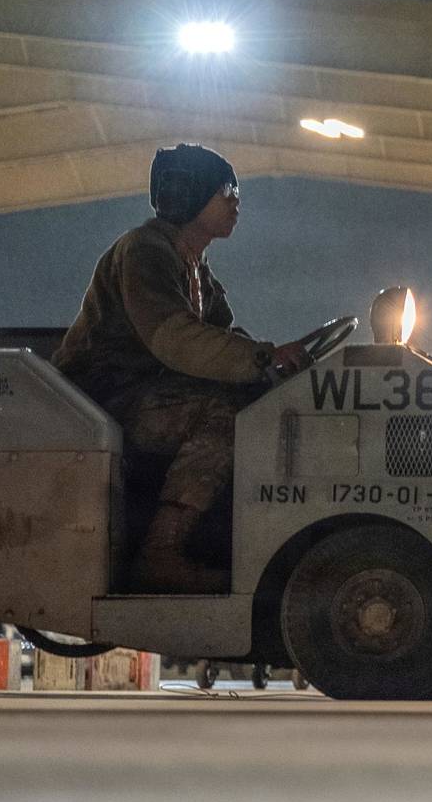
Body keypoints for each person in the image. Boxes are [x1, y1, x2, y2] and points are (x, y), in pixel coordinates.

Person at [54, 144, 311, 593]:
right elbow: (176, 340)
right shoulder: (145, 251)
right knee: (228, 415)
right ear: (189, 195)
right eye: (226, 189)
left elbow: (225, 339)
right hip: (100, 400)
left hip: (141, 396)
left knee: (251, 398)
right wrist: (264, 357)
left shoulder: (195, 267)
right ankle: (162, 553)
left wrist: (267, 360)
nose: (236, 201)